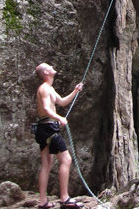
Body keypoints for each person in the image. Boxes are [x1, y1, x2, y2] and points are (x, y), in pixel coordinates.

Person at [34, 63, 84, 209]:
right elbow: (45, 108)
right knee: (66, 159)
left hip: (43, 128)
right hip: (49, 127)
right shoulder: (44, 88)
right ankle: (64, 198)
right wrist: (59, 118)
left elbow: (61, 102)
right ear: (46, 72)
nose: (52, 66)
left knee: (47, 164)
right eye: (49, 66)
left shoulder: (49, 88)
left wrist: (75, 91)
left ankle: (43, 202)